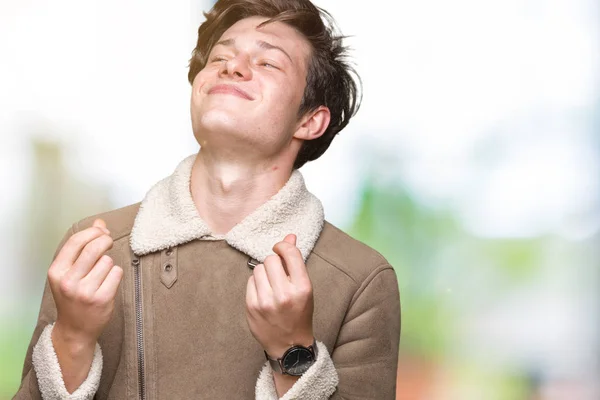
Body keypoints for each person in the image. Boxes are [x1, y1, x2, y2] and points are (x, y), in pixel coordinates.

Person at [14, 0, 401, 398]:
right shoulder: (94, 251)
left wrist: (292, 350)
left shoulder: (361, 281)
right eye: (220, 57)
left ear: (309, 120)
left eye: (268, 63)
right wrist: (73, 338)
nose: (232, 67)